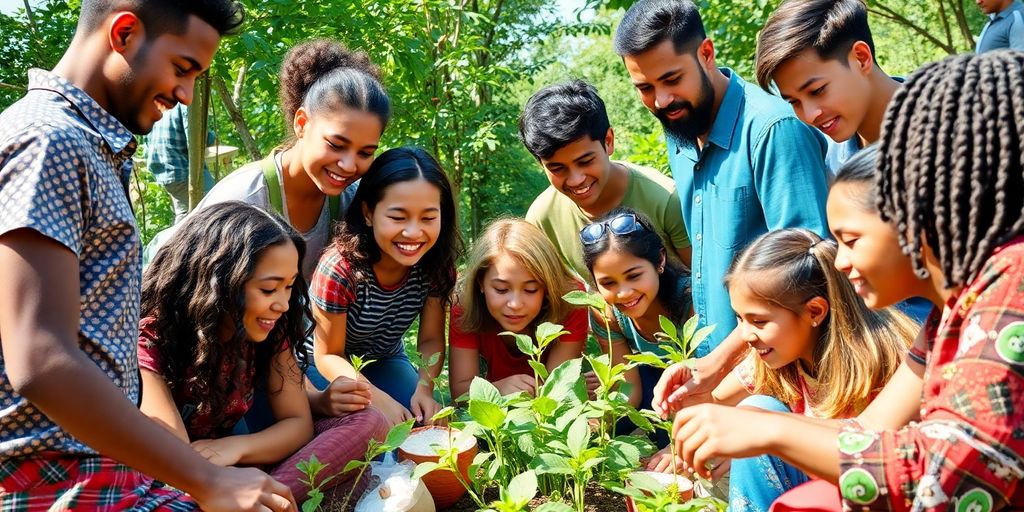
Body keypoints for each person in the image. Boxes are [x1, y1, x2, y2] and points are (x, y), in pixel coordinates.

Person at [673, 51, 1024, 509]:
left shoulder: (1011, 284)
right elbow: (876, 430)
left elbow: (956, 476)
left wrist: (772, 430)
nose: (839, 262)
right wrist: (755, 428)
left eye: (852, 239)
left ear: (914, 212)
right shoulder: (952, 312)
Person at [0, 1, 295, 510]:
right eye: (182, 69)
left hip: (110, 465)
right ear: (124, 32)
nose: (184, 95)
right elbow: (41, 359)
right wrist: (205, 479)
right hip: (54, 478)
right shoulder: (50, 142)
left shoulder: (89, 147)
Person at [614, 0, 830, 356]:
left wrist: (718, 365)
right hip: (716, 359)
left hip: (778, 367)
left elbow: (805, 273)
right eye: (645, 88)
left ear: (706, 53)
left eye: (671, 79)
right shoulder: (680, 126)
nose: (661, 100)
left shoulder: (773, 130)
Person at [138, 202, 387, 501]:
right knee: (355, 484)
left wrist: (237, 448)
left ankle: (270, 497)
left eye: (289, 288)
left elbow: (298, 424)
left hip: (239, 459)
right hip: (179, 479)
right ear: (218, 282)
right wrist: (221, 475)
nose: (282, 304)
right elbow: (176, 460)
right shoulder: (151, 338)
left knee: (370, 422)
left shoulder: (271, 328)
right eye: (269, 290)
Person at [689, 228, 915, 511]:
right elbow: (717, 404)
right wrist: (693, 394)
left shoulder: (884, 363)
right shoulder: (777, 355)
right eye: (740, 319)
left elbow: (884, 459)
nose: (745, 335)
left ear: (815, 312)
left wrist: (761, 430)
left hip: (874, 490)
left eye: (758, 321)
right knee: (754, 409)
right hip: (817, 489)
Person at [188, 38, 388, 280]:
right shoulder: (243, 199)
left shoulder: (352, 203)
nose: (348, 165)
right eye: (336, 145)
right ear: (302, 123)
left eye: (365, 153)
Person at [308, 147, 463, 427]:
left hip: (384, 358)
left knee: (430, 424)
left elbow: (429, 340)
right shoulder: (339, 270)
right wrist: (376, 399)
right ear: (368, 213)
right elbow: (328, 353)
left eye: (428, 218)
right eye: (398, 217)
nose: (414, 233)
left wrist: (424, 389)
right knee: (372, 426)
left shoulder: (436, 267)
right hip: (320, 364)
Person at [520, 79, 690, 282]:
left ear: (608, 141)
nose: (576, 180)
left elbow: (702, 280)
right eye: (557, 168)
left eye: (585, 161)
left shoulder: (667, 199)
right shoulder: (542, 218)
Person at [581, 208, 692, 447]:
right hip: (651, 393)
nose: (624, 293)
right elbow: (629, 389)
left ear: (659, 260)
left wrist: (676, 448)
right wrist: (594, 430)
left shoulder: (690, 301)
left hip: (699, 394)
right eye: (608, 283)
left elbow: (711, 383)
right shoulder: (606, 312)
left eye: (633, 276)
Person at [448, 219, 586, 399]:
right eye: (501, 289)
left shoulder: (570, 301)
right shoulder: (464, 306)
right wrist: (498, 389)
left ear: (548, 287)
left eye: (530, 290)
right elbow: (460, 393)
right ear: (480, 282)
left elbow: (555, 393)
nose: (515, 304)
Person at [145, 103, 215, 222]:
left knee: (185, 213)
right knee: (214, 205)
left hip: (163, 169)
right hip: (181, 169)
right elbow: (195, 139)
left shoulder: (158, 102)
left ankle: (181, 238)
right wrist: (211, 137)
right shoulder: (185, 103)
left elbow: (146, 142)